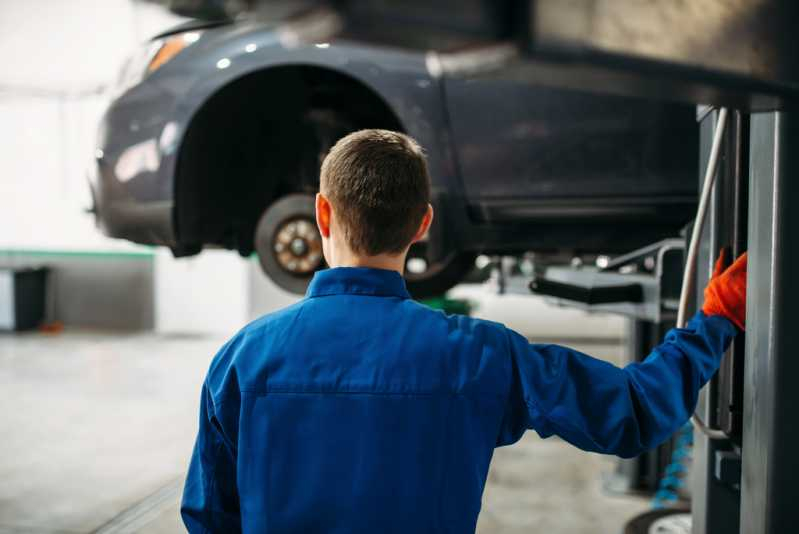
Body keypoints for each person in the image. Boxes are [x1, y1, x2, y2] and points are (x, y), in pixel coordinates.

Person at [181, 129, 747, 533]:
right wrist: (714, 320)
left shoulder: (241, 360)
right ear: (424, 223)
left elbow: (208, 518)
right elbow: (631, 413)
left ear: (323, 215)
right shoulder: (479, 354)